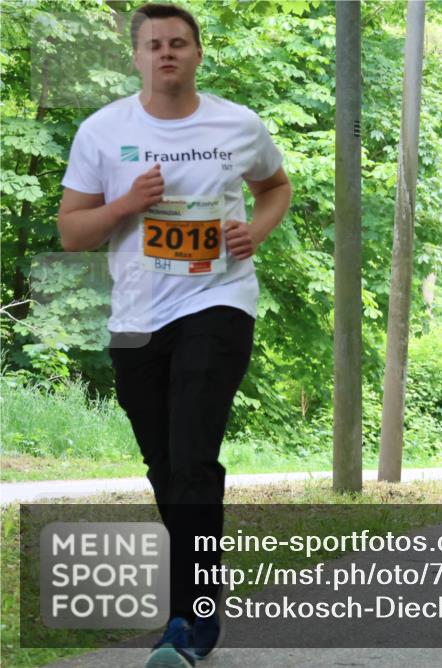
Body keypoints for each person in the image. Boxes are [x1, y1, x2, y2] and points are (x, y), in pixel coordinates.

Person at [57, 4, 292, 666]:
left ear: (197, 54)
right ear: (135, 57)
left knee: (191, 457)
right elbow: (73, 231)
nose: (166, 53)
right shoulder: (102, 132)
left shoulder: (236, 125)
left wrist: (258, 230)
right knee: (164, 466)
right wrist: (127, 204)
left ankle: (189, 617)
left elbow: (275, 187)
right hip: (135, 319)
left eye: (178, 43)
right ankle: (202, 590)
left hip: (217, 301)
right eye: (154, 44)